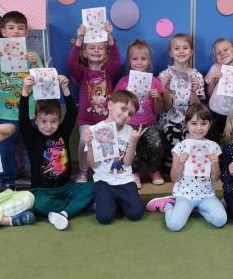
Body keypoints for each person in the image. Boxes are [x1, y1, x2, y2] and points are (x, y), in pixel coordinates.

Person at [18, 72, 94, 230]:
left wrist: (65, 88)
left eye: (53, 121)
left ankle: (64, 212)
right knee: (40, 204)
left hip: (67, 186)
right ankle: (73, 207)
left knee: (94, 187)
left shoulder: (62, 132)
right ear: (36, 120)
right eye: (43, 121)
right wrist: (25, 91)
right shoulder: (31, 136)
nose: (48, 126)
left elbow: (72, 113)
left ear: (59, 120)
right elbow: (23, 119)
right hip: (42, 191)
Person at [0, 10, 42, 189]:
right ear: (3, 32)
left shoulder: (32, 54)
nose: (16, 31)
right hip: (6, 114)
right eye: (11, 28)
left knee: (31, 148)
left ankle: (35, 179)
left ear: (26, 33)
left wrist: (34, 63)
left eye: (20, 28)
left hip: (30, 113)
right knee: (5, 150)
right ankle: (8, 182)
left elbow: (43, 83)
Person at [145, 104, 227, 231]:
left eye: (203, 123)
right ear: (186, 125)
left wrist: (215, 164)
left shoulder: (213, 147)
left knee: (220, 220)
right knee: (174, 225)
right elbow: (174, 178)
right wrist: (181, 164)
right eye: (194, 123)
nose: (199, 128)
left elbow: (215, 178)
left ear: (209, 124)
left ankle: (198, 209)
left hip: (207, 195)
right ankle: (168, 205)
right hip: (185, 195)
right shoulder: (180, 147)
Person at [67, 22, 121, 183]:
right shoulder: (82, 73)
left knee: (107, 146)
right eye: (92, 48)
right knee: (85, 142)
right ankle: (83, 171)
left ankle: (105, 171)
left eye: (100, 48)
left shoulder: (108, 71)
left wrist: (110, 39)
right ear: (84, 53)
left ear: (106, 54)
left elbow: (116, 61)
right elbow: (71, 63)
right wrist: (79, 40)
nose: (96, 50)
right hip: (87, 120)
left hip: (106, 119)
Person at [84, 90, 145, 224]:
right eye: (123, 109)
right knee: (104, 218)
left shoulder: (130, 131)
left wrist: (134, 142)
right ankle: (104, 202)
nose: (126, 115)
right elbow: (93, 165)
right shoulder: (95, 130)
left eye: (130, 114)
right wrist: (89, 146)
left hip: (125, 180)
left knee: (136, 214)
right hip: (104, 181)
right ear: (110, 105)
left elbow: (127, 163)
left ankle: (114, 202)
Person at [114, 40, 165, 188]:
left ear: (149, 61)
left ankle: (153, 170)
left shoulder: (154, 82)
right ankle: (133, 171)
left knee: (157, 144)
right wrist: (125, 98)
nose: (139, 62)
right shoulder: (124, 82)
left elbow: (159, 110)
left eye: (143, 58)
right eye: (135, 59)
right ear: (129, 61)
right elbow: (116, 105)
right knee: (129, 145)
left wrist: (157, 98)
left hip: (150, 123)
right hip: (128, 124)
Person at [158, 33, 205, 171]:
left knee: (191, 136)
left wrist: (193, 91)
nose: (181, 51)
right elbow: (165, 107)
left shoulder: (197, 76)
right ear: (170, 53)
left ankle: (189, 167)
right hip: (169, 119)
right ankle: (171, 167)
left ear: (191, 52)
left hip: (190, 119)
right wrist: (166, 88)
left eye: (185, 48)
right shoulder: (164, 75)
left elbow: (197, 108)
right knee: (174, 135)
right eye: (177, 48)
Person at [204, 38, 233, 144]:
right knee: (212, 133)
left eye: (225, 50)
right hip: (214, 111)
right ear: (216, 58)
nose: (222, 54)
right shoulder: (215, 69)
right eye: (218, 53)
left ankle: (231, 151)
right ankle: (214, 151)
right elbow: (209, 94)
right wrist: (213, 81)